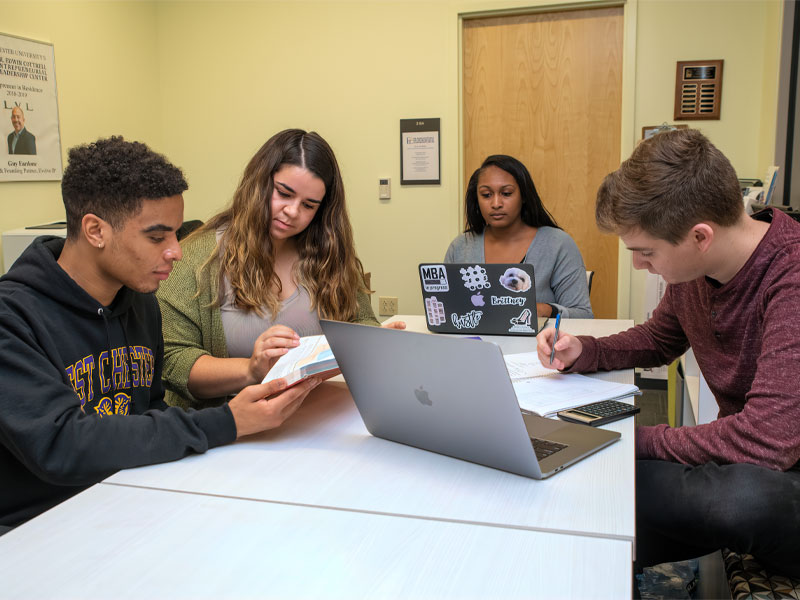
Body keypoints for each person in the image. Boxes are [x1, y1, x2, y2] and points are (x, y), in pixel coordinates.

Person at [0, 136, 319, 531]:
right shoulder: (11, 317)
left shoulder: (139, 300)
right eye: (157, 237)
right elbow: (62, 444)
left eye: (174, 234)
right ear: (96, 230)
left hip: (127, 499)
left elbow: (148, 411)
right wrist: (228, 422)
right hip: (35, 528)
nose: (177, 251)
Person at [537, 129, 800, 577]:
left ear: (700, 236)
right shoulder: (697, 273)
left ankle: (576, 566)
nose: (639, 265)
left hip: (781, 473)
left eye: (646, 252)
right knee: (604, 483)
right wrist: (584, 350)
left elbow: (767, 441)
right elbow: (659, 339)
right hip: (756, 462)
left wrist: (636, 442)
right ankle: (573, 567)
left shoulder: (790, 277)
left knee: (734, 498)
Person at [158, 128, 403, 410]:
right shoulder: (198, 259)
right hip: (228, 428)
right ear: (258, 182)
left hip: (315, 417)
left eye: (309, 205)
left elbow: (360, 322)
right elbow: (173, 362)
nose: (293, 212)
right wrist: (251, 370)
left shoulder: (330, 254)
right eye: (284, 193)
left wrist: (375, 341)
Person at [444, 155, 592, 318]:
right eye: (486, 195)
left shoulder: (558, 244)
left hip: (537, 343)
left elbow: (583, 315)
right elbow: (447, 310)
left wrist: (544, 310)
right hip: (476, 343)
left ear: (524, 197)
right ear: (476, 199)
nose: (496, 204)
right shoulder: (461, 246)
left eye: (506, 193)